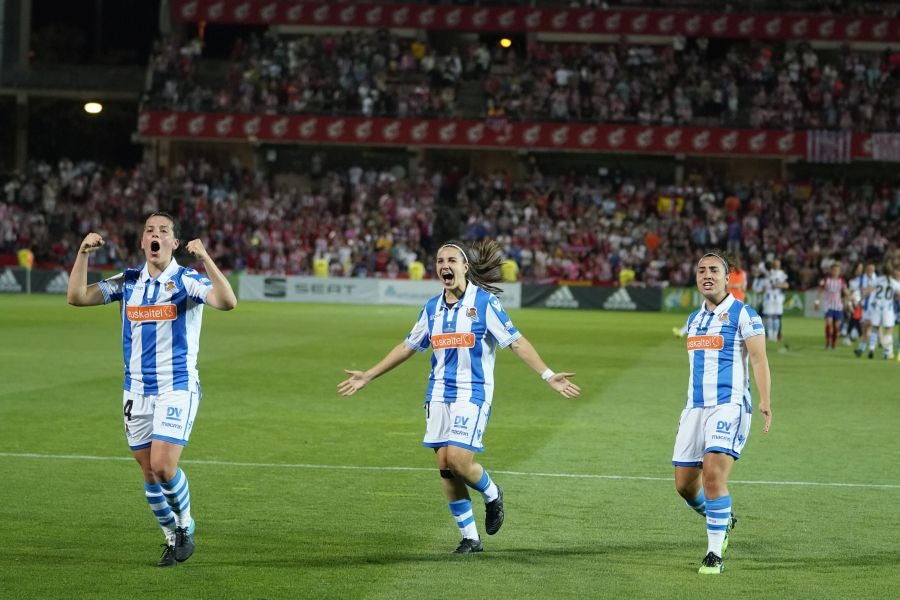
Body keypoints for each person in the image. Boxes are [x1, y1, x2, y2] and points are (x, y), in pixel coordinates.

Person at [337, 239, 580, 553]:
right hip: (438, 393)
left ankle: (492, 494)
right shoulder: (432, 307)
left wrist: (548, 375)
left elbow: (516, 342)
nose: (444, 266)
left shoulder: (485, 303)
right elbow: (408, 346)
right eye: (440, 261)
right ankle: (470, 538)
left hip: (473, 393)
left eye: (451, 260)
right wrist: (368, 374)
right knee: (444, 464)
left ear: (465, 266)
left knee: (458, 459)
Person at [66, 212, 237, 567]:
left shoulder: (187, 280)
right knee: (148, 473)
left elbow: (227, 301)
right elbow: (78, 297)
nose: (155, 235)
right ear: (143, 242)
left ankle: (186, 526)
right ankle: (171, 538)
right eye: (149, 230)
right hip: (136, 391)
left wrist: (205, 258)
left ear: (174, 243)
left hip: (177, 387)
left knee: (162, 465)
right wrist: (83, 253)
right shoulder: (127, 282)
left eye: (163, 231)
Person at [672, 250, 772, 575]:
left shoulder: (744, 314)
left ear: (728, 277)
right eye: (701, 270)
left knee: (713, 474)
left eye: (714, 270)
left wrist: (765, 400)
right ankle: (723, 517)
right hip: (694, 408)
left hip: (729, 405)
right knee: (685, 485)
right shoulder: (693, 320)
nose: (706, 275)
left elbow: (758, 358)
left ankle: (714, 553)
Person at [815, 263, 848, 350]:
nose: (836, 272)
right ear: (831, 271)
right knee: (829, 323)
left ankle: (834, 344)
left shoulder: (842, 281)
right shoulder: (826, 280)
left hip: (838, 306)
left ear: (839, 272)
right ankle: (827, 342)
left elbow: (846, 292)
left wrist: (849, 302)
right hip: (828, 305)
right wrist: (817, 302)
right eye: (834, 270)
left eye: (837, 271)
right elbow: (819, 291)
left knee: (836, 326)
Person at [851, 262, 879, 358]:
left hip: (875, 308)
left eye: (872, 268)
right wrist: (856, 299)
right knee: (865, 330)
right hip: (864, 308)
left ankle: (869, 348)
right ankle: (863, 349)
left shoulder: (878, 279)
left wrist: (867, 290)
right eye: (869, 268)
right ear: (866, 269)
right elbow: (856, 291)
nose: (870, 270)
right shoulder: (861, 279)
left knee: (871, 327)